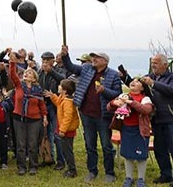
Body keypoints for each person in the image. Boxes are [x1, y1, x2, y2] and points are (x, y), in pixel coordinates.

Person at [122, 54, 173, 186]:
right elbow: (136, 85)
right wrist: (124, 76)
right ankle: (165, 174)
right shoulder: (149, 77)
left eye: (156, 63)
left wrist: (154, 84)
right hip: (157, 118)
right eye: (152, 63)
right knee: (159, 148)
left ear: (165, 64)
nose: (153, 65)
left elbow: (172, 91)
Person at [61, 45, 122, 183]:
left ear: (105, 61)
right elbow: (71, 67)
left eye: (97, 57)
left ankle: (110, 173)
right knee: (90, 145)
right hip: (87, 114)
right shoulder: (87, 68)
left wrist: (104, 90)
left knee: (106, 146)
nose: (93, 59)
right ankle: (92, 171)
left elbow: (117, 94)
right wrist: (65, 56)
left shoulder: (113, 75)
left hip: (103, 116)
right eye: (93, 57)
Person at [108, 79, 154, 187]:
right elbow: (109, 107)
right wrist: (114, 102)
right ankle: (129, 178)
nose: (133, 82)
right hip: (126, 129)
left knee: (141, 155)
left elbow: (146, 110)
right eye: (132, 81)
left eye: (137, 82)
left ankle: (141, 179)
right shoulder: (123, 95)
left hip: (140, 131)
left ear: (142, 88)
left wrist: (130, 102)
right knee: (127, 154)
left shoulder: (145, 98)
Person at [8, 55, 47, 176]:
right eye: (25, 73)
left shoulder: (38, 89)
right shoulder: (19, 86)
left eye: (29, 73)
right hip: (19, 118)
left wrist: (45, 116)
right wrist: (13, 63)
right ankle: (21, 167)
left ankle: (33, 166)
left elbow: (41, 104)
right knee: (20, 145)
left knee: (32, 144)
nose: (26, 74)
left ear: (34, 78)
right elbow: (12, 75)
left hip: (34, 119)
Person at [44, 79, 79, 178]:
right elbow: (58, 104)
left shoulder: (68, 102)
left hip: (67, 131)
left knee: (68, 151)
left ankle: (72, 170)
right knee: (65, 150)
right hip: (64, 129)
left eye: (60, 85)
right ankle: (70, 168)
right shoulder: (63, 97)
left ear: (65, 90)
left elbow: (68, 117)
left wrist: (62, 130)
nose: (58, 86)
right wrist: (53, 96)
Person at [37, 51, 66, 170]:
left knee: (56, 134)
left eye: (47, 60)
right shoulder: (39, 72)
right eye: (43, 60)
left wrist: (51, 71)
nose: (44, 63)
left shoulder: (58, 70)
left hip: (54, 106)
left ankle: (61, 160)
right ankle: (48, 157)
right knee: (45, 133)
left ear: (52, 61)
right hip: (42, 106)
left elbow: (63, 81)